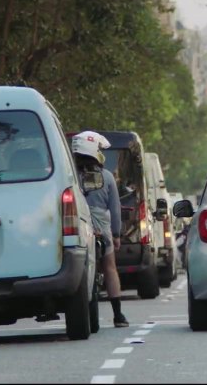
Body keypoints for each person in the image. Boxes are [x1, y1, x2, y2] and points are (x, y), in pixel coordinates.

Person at [72, 131, 129, 328]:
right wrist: (116, 235)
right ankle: (118, 315)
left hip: (79, 226)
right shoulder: (107, 177)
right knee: (110, 267)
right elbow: (114, 209)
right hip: (102, 229)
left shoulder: (69, 176)